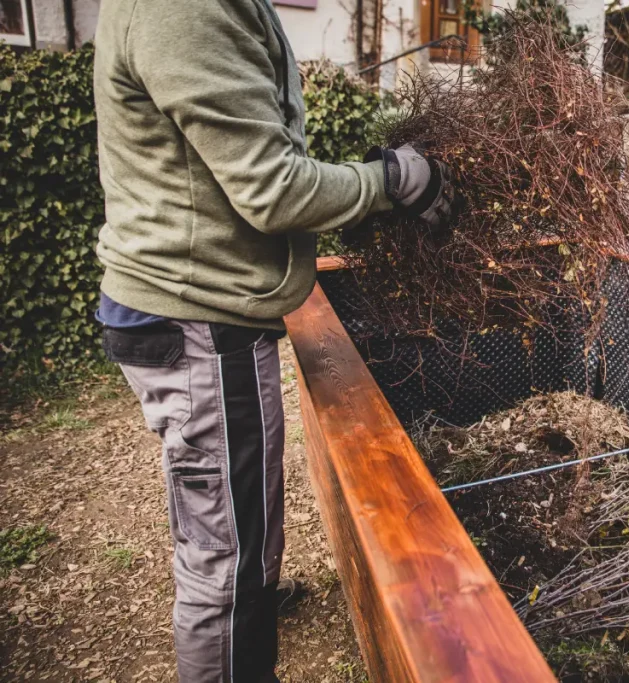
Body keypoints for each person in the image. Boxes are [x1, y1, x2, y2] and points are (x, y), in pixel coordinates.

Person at [91, 0, 453, 679]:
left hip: (192, 302)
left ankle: (245, 584)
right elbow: (274, 190)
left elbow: (243, 160)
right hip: (201, 317)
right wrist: (391, 180)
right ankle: (237, 607)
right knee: (226, 562)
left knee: (227, 517)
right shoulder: (185, 9)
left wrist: (354, 193)